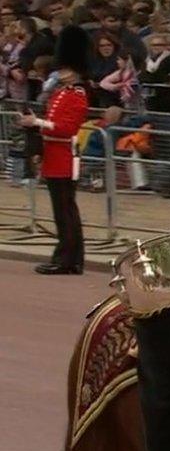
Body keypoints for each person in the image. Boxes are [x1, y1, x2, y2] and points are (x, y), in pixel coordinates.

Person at [19, 26, 89, 275]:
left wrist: (37, 123)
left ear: (75, 71)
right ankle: (69, 258)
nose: (61, 73)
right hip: (53, 156)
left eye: (65, 69)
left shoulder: (78, 95)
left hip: (64, 157)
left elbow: (67, 128)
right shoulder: (62, 93)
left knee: (66, 211)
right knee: (62, 211)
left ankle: (68, 259)